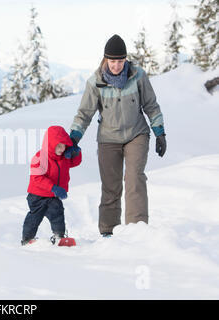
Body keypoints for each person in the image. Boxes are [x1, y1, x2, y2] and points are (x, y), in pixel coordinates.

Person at [69, 34, 167, 237]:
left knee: (134, 178)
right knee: (110, 186)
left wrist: (159, 132)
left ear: (125, 59)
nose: (116, 66)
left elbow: (151, 105)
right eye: (112, 61)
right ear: (105, 60)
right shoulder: (95, 82)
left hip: (136, 134)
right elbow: (84, 113)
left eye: (120, 61)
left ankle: (136, 230)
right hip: (108, 139)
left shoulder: (138, 76)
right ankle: (108, 232)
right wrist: (73, 138)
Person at [21, 125, 82, 245]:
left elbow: (76, 162)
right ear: (50, 144)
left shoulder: (63, 157)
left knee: (58, 213)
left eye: (64, 145)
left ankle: (59, 237)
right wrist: (53, 187)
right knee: (35, 217)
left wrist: (75, 151)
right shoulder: (40, 157)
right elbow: (36, 178)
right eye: (58, 146)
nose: (61, 149)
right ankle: (27, 239)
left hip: (53, 195)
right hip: (37, 195)